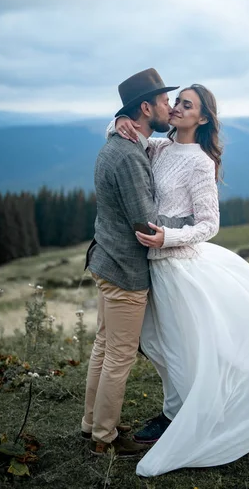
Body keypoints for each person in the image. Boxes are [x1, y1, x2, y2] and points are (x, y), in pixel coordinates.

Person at [107, 84, 249, 476]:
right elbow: (125, 137)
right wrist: (117, 121)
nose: (178, 109)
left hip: (179, 267)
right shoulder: (161, 148)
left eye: (187, 105)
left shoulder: (201, 161)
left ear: (202, 118)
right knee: (159, 345)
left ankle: (192, 416)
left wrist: (169, 237)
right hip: (152, 265)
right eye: (177, 103)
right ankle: (176, 409)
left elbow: (210, 224)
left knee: (184, 346)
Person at [82, 68, 193, 458]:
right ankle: (104, 438)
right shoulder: (129, 155)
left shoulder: (122, 140)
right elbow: (144, 223)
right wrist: (189, 222)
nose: (169, 107)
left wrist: (117, 122)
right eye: (164, 101)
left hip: (105, 260)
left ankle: (91, 424)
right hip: (125, 270)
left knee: (104, 346)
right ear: (145, 108)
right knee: (119, 356)